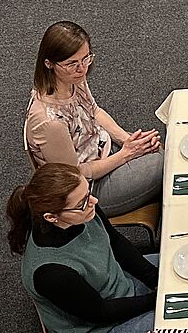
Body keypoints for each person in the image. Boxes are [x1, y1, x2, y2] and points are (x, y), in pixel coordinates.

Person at [8, 163, 160, 333]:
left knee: (178, 265)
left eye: (88, 192)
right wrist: (157, 299)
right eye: (82, 202)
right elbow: (101, 312)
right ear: (51, 217)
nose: (94, 201)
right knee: (183, 322)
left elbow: (116, 242)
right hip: (99, 331)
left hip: (119, 285)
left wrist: (154, 278)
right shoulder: (50, 272)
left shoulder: (85, 208)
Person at [25, 21, 164, 216]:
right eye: (72, 64)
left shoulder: (72, 79)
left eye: (86, 59)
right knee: (165, 164)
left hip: (101, 149)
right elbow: (75, 174)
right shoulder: (50, 122)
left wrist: (127, 140)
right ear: (49, 64)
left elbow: (94, 111)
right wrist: (126, 154)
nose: (82, 69)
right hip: (87, 188)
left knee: (157, 149)